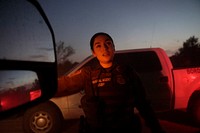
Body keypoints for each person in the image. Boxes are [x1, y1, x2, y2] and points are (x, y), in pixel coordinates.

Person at [56, 32, 165, 133]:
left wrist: (156, 128)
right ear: (93, 52)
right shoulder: (87, 74)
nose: (104, 48)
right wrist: (43, 89)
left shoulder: (127, 71)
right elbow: (61, 85)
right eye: (98, 46)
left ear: (113, 48)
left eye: (108, 44)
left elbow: (143, 103)